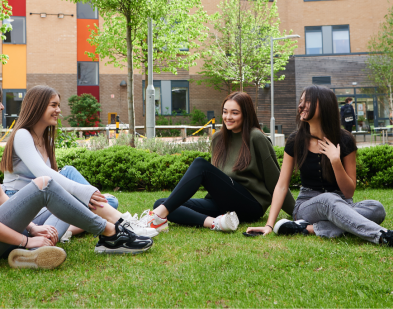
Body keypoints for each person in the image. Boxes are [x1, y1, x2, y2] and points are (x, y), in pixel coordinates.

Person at [0, 85, 159, 241]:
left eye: (59, 105)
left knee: (108, 201)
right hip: (23, 206)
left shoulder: (46, 139)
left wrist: (86, 194)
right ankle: (122, 222)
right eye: (53, 105)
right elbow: (41, 172)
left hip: (45, 206)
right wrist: (81, 191)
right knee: (80, 195)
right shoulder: (22, 135)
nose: (58, 110)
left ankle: (68, 230)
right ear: (37, 106)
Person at [246, 85, 393, 247]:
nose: (301, 106)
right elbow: (282, 185)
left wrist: (335, 161)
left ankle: (307, 229)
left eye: (307, 101)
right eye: (301, 101)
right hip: (307, 206)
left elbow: (349, 192)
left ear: (324, 105)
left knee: (376, 208)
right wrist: (269, 225)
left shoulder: (345, 140)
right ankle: (381, 235)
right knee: (328, 199)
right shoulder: (296, 140)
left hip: (343, 203)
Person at [134, 92, 295, 232]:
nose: (228, 117)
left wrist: (296, 212)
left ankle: (156, 217)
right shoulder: (218, 138)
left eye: (234, 113)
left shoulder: (256, 137)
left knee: (200, 165)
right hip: (222, 203)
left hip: (250, 205)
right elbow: (219, 178)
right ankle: (215, 223)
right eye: (225, 112)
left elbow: (276, 180)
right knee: (162, 203)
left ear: (246, 114)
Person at [0, 176, 153, 269]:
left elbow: (1, 197)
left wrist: (32, 228)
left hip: (11, 228)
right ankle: (112, 234)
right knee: (44, 184)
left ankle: (32, 254)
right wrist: (26, 240)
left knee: (64, 202)